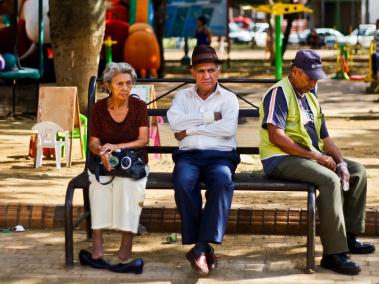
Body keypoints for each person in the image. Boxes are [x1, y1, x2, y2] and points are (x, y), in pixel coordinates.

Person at [259, 49, 375, 275]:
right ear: (295, 71)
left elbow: (325, 137)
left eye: (316, 77)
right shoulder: (278, 93)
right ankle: (333, 254)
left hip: (308, 156)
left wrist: (340, 162)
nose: (314, 82)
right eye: (310, 77)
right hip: (280, 158)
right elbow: (276, 137)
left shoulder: (311, 96)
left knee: (357, 172)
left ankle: (348, 237)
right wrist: (317, 157)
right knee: (330, 180)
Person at [167, 45, 240, 275]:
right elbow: (175, 124)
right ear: (193, 73)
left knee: (223, 181)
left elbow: (227, 129)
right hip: (189, 156)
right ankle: (202, 244)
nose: (206, 76)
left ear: (218, 71)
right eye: (201, 71)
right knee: (182, 181)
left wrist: (189, 131)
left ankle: (199, 247)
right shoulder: (182, 97)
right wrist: (209, 119)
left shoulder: (229, 98)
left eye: (211, 70)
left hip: (220, 156)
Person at [86, 62, 149, 268]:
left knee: (128, 187)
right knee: (99, 186)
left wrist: (116, 146)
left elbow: (142, 140)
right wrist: (102, 151)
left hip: (133, 163)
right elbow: (93, 141)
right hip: (104, 161)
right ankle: (97, 239)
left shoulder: (139, 107)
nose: (125, 88)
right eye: (120, 84)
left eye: (129, 84)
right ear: (108, 86)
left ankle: (127, 239)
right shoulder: (98, 109)